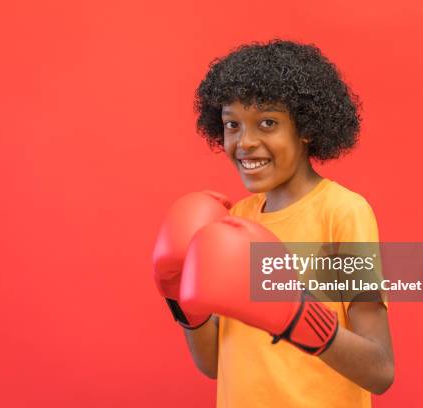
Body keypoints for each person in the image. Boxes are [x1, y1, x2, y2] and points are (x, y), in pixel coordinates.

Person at [153, 39, 394, 407]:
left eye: (267, 123)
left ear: (306, 128)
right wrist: (180, 302)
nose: (245, 142)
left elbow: (380, 370)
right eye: (232, 124)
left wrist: (298, 317)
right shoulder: (234, 221)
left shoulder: (342, 212)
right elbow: (214, 364)